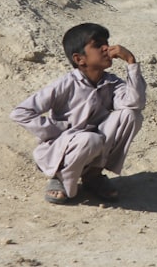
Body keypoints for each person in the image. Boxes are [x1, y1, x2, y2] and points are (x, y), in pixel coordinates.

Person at [10, 23, 146, 204]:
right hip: (62, 150)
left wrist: (131, 61)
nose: (107, 48)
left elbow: (135, 103)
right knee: (90, 139)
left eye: (107, 43)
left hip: (92, 145)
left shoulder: (111, 83)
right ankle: (59, 177)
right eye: (98, 45)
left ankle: (93, 176)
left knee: (131, 115)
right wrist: (60, 129)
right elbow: (20, 112)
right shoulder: (66, 84)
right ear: (80, 59)